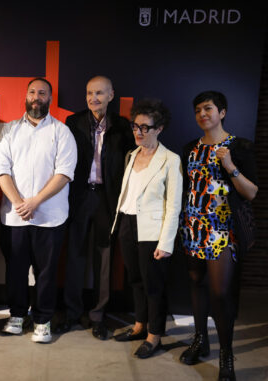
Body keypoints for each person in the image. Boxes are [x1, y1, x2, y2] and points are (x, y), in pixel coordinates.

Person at [179, 91, 258, 381]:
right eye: (198, 110)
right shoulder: (189, 148)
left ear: (222, 112)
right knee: (196, 283)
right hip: (192, 227)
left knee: (220, 292)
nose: (203, 114)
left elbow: (251, 193)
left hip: (222, 229)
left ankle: (226, 354)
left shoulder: (239, 147)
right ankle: (200, 340)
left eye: (208, 108)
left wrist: (230, 167)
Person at [0, 78, 77, 343]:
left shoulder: (61, 132)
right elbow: (2, 170)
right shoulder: (8, 130)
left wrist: (35, 201)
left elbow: (64, 173)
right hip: (14, 215)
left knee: (46, 272)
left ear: (50, 99)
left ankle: (42, 320)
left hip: (50, 217)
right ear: (26, 96)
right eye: (32, 92)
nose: (36, 96)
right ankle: (17, 315)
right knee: (15, 271)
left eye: (42, 93)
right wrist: (20, 201)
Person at [56, 76, 135, 339]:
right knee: (75, 257)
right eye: (90, 93)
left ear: (111, 95)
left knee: (104, 259)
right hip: (79, 197)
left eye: (99, 93)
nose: (94, 98)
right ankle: (71, 314)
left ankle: (98, 316)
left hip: (107, 199)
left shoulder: (123, 126)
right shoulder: (73, 122)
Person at [109, 99, 182, 358]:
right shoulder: (132, 154)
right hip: (128, 223)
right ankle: (140, 325)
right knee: (135, 280)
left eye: (145, 128)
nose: (138, 132)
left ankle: (155, 335)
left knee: (154, 285)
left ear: (159, 129)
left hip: (152, 230)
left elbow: (173, 206)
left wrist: (166, 242)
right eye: (135, 126)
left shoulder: (170, 160)